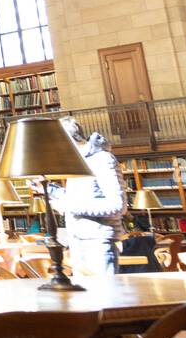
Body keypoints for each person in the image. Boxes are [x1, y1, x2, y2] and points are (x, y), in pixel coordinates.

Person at [44, 118, 126, 277]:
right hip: (77, 239)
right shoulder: (77, 162)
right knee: (84, 300)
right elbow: (75, 197)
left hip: (97, 242)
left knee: (104, 299)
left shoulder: (102, 159)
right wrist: (47, 188)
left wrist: (67, 206)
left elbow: (117, 205)